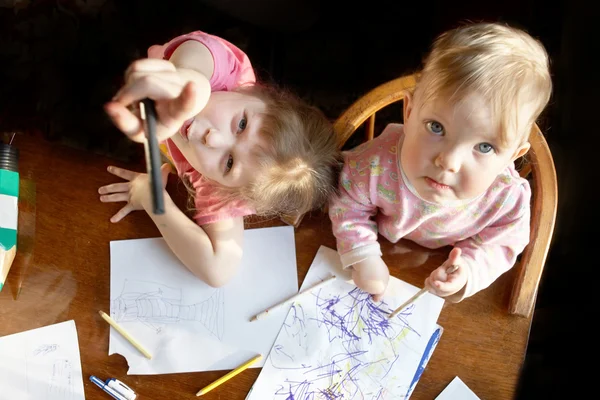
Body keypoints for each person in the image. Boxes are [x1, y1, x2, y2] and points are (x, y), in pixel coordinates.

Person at [329, 22, 552, 302]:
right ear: (409, 113)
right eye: (436, 127)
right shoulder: (375, 164)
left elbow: (504, 242)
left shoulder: (504, 197)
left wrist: (468, 269)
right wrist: (362, 255)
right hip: (384, 247)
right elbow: (346, 201)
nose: (448, 161)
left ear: (511, 157)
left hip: (437, 265)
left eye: (484, 147)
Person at [99, 30, 341, 287]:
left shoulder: (221, 186)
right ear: (253, 94)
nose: (212, 139)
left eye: (229, 163)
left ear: (234, 191)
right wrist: (186, 90)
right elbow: (197, 58)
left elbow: (219, 271)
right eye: (242, 124)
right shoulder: (227, 70)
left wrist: (153, 200)